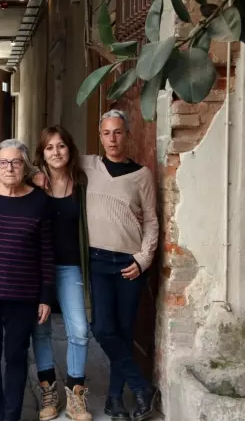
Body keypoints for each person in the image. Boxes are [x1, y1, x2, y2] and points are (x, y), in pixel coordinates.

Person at [0, 139, 54, 421]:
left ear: (25, 166)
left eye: (16, 162)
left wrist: (46, 296)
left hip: (23, 295)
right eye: (3, 163)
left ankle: (12, 415)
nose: (10, 167)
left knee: (16, 357)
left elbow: (47, 251)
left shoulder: (39, 200)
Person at [83, 110, 158, 421]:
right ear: (99, 136)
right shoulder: (87, 165)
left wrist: (143, 259)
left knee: (124, 332)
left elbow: (152, 221)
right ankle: (142, 386)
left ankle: (115, 400)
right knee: (102, 328)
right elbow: (48, 162)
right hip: (98, 260)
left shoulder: (141, 175)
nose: (112, 138)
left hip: (130, 264)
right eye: (106, 133)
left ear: (127, 136)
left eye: (117, 132)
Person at [30, 126, 92, 421]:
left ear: (70, 149)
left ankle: (76, 394)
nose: (56, 152)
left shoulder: (83, 183)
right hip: (37, 268)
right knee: (40, 329)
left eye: (61, 146)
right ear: (42, 154)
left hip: (70, 268)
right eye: (49, 147)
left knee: (79, 330)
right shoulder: (33, 184)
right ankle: (48, 391)